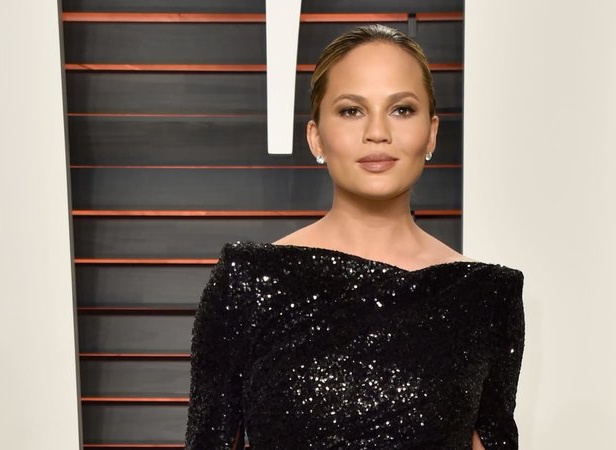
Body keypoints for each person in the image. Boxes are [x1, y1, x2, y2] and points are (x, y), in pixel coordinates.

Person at [184, 24, 525, 450]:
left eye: (402, 109)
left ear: (432, 133)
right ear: (316, 137)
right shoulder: (249, 282)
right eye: (351, 111)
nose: (377, 132)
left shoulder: (486, 297)